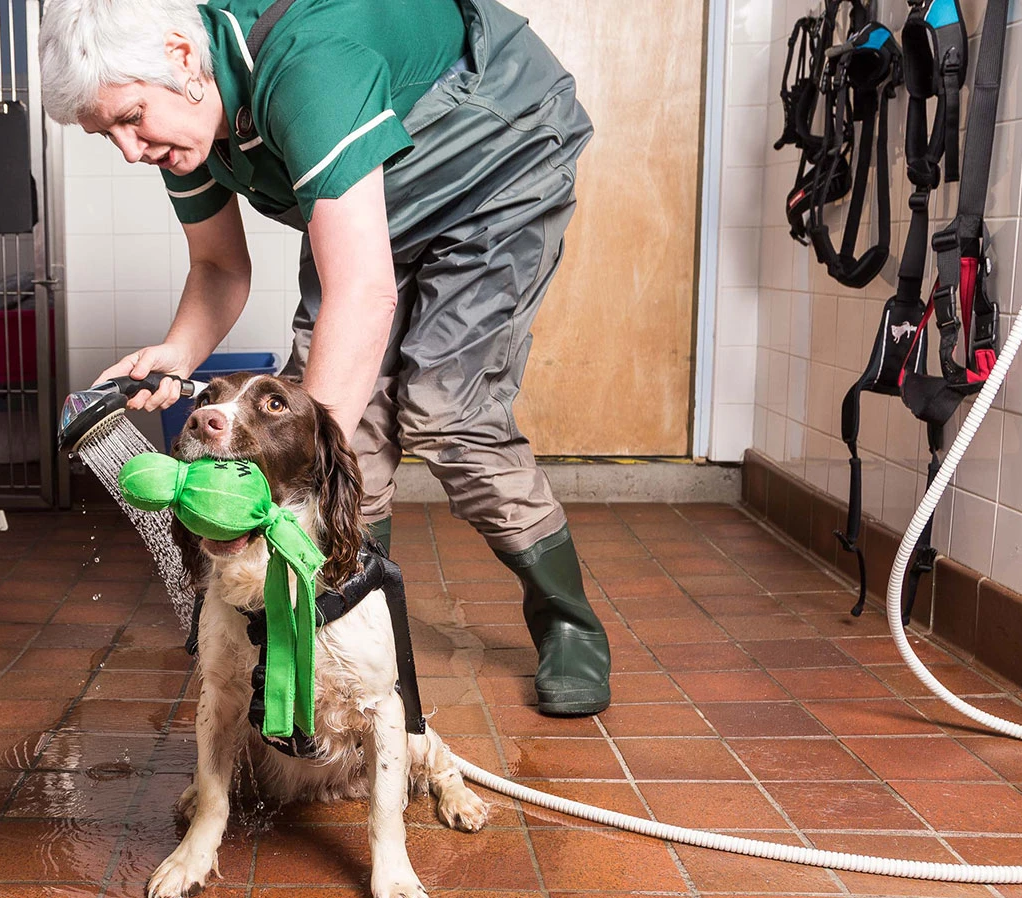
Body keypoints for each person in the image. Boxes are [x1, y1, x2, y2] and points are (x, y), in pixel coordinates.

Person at [40, 0, 611, 717]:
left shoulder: (309, 69)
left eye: (130, 118)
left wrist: (292, 482)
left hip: (496, 167)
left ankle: (567, 619)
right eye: (106, 135)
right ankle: (351, 622)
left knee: (446, 414)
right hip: (372, 200)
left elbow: (362, 293)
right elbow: (219, 266)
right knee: (349, 428)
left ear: (184, 58)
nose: (129, 149)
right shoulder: (185, 121)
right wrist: (174, 353)